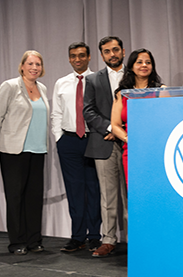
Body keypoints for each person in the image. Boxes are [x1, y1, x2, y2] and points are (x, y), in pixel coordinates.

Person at [0, 51, 50, 255]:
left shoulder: (42, 88)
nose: (34, 67)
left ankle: (34, 240)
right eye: (30, 63)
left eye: (38, 64)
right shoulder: (10, 86)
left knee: (34, 197)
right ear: (22, 66)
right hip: (13, 151)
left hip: (37, 149)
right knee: (15, 197)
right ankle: (17, 242)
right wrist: (0, 143)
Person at [50, 42, 101, 253]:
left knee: (94, 189)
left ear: (89, 57)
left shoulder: (98, 80)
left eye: (81, 55)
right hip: (69, 141)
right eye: (73, 56)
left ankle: (96, 237)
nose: (77, 59)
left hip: (93, 140)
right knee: (74, 190)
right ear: (69, 59)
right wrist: (58, 138)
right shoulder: (61, 83)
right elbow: (56, 113)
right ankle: (77, 236)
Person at [83, 36, 127, 258]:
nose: (112, 54)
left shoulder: (134, 74)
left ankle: (136, 240)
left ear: (123, 51)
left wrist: (123, 130)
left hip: (132, 143)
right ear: (101, 55)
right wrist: (111, 127)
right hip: (104, 143)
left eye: (116, 50)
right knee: (108, 197)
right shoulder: (93, 79)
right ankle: (108, 240)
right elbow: (88, 111)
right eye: (107, 51)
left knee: (132, 196)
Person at [111, 48, 164, 178]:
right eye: (139, 62)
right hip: (132, 150)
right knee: (135, 192)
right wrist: (128, 139)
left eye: (148, 62)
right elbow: (115, 125)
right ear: (131, 67)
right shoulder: (122, 93)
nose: (144, 65)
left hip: (156, 149)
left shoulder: (161, 91)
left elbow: (167, 121)